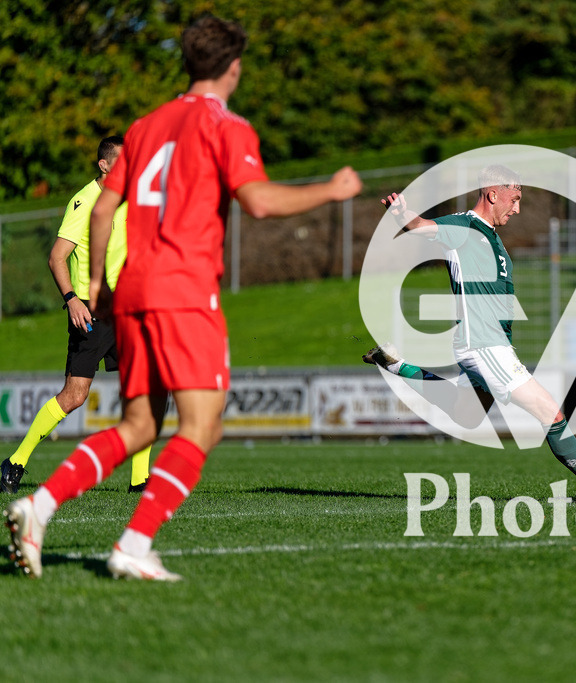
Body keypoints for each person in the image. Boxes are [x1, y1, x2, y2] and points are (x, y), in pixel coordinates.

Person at [4, 15, 362, 581]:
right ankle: (134, 543)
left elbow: (103, 210)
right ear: (234, 67)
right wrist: (333, 189)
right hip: (185, 288)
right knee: (202, 426)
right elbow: (260, 202)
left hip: (133, 291)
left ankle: (38, 506)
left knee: (141, 425)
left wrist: (97, 284)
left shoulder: (145, 126)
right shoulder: (228, 126)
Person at [364, 165, 576, 502]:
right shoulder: (464, 227)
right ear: (492, 194)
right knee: (552, 414)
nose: (517, 208)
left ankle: (396, 364)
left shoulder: (489, 235)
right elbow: (422, 227)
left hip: (486, 344)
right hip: (484, 344)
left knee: (467, 414)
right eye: (514, 199)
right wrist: (404, 214)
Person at [1, 136, 152, 495]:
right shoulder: (84, 203)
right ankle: (14, 463)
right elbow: (56, 257)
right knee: (74, 395)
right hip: (92, 313)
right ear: (104, 165)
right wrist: (71, 299)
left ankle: (140, 480)